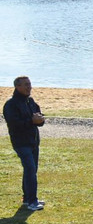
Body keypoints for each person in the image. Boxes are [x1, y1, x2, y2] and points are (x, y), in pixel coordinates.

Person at [3, 76, 46, 211]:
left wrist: (40, 120)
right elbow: (14, 124)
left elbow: (40, 117)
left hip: (33, 142)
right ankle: (33, 201)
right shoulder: (11, 104)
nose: (29, 87)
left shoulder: (30, 101)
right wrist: (32, 121)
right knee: (30, 169)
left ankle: (27, 198)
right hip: (21, 143)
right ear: (17, 87)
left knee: (31, 170)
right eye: (25, 85)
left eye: (29, 84)